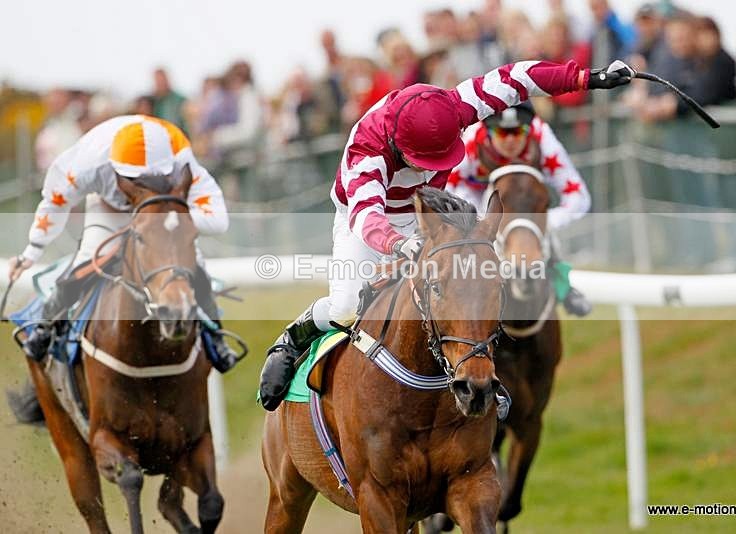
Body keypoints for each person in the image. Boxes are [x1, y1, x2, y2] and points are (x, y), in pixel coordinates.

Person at [257, 58, 634, 411]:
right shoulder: (367, 153)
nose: (430, 168)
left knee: (468, 284)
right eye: (423, 162)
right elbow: (367, 216)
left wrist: (588, 77)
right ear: (397, 146)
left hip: (428, 208)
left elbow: (520, 78)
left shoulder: (456, 105)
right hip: (369, 217)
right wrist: (399, 245)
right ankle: (292, 338)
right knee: (347, 307)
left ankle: (483, 371)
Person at [8, 115, 240, 373]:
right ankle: (46, 326)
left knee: (191, 264)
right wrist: (33, 250)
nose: (143, 186)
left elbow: (218, 221)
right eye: (136, 180)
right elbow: (54, 201)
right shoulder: (86, 164)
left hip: (160, 214)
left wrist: (165, 224)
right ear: (115, 167)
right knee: (88, 262)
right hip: (110, 207)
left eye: (152, 177)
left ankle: (215, 336)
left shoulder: (180, 156)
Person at [446, 101, 592, 316]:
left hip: (525, 197)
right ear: (487, 130)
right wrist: (481, 222)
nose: (512, 141)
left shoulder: (542, 135)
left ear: (529, 128)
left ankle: (564, 287)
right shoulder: (471, 142)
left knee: (540, 225)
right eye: (502, 133)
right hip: (477, 196)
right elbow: (449, 188)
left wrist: (545, 221)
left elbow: (579, 196)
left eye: (518, 132)